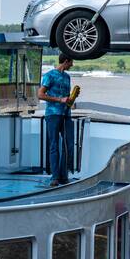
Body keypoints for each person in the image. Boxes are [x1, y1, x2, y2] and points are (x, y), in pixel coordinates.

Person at [39, 55, 79, 185]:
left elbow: (66, 98)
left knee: (69, 146)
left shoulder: (67, 77)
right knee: (54, 145)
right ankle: (55, 177)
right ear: (66, 61)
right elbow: (40, 94)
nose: (72, 65)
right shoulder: (49, 75)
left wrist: (72, 99)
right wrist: (59, 100)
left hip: (66, 114)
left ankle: (64, 175)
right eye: (71, 62)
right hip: (53, 114)